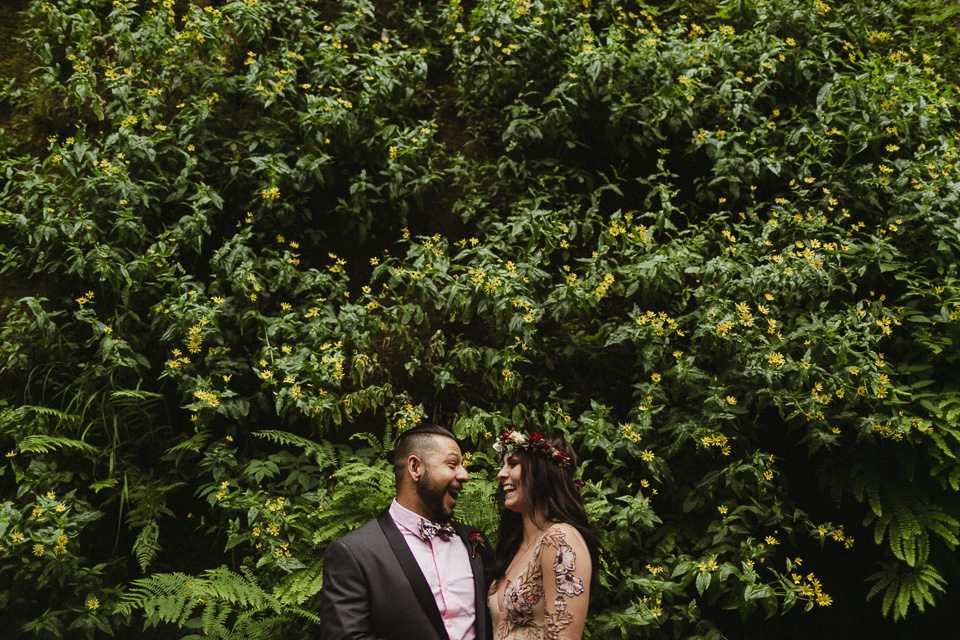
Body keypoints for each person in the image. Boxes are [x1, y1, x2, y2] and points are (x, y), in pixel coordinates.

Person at [319, 423, 490, 640]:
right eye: (452, 464)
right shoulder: (354, 552)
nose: (464, 475)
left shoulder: (474, 542)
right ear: (415, 467)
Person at [488, 430, 599, 640]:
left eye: (513, 464)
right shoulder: (516, 546)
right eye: (503, 465)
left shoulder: (559, 539)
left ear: (542, 471)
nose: (501, 474)